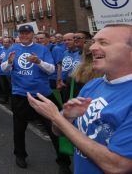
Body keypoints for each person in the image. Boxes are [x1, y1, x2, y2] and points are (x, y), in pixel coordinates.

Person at [27, 24, 132, 174]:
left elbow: (118, 165)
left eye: (103, 43)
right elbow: (58, 131)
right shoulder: (93, 85)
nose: (91, 48)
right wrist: (66, 117)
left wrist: (56, 116)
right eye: (94, 41)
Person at [1, 24, 71, 172]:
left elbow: (51, 69)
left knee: (55, 128)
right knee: (19, 129)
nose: (24, 36)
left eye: (27, 33)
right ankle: (20, 155)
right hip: (21, 94)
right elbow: (4, 70)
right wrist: (9, 62)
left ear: (32, 34)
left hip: (42, 94)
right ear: (18, 35)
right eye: (22, 34)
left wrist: (38, 62)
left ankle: (63, 162)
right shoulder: (13, 49)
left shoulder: (42, 49)